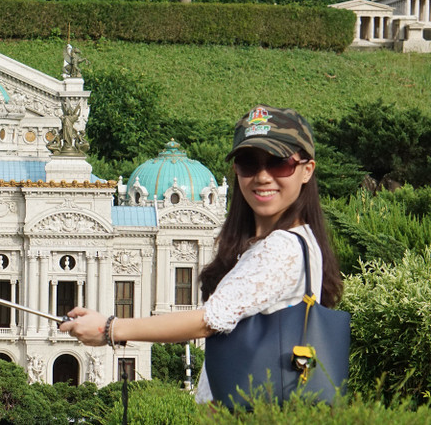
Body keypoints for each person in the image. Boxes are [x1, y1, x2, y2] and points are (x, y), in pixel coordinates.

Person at [59, 105, 343, 403]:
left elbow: (210, 320)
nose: (262, 176)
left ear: (306, 169)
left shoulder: (280, 247)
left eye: (279, 163)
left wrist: (110, 328)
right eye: (249, 163)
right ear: (236, 170)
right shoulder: (305, 240)